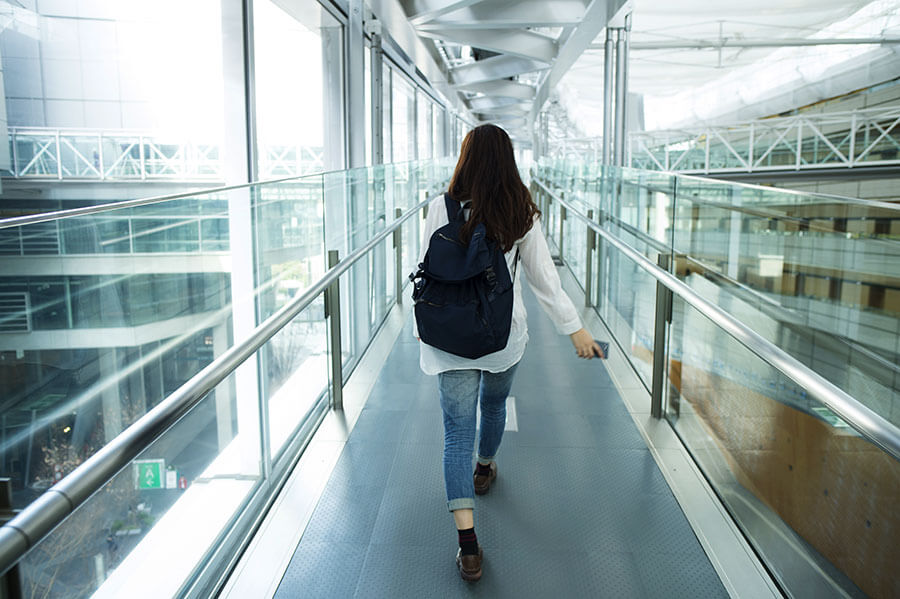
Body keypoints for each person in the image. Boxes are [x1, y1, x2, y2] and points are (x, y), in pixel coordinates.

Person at [415, 124, 602, 583]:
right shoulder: (518, 212)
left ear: (465, 158)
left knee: (455, 433)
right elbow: (543, 278)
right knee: (494, 404)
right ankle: (485, 467)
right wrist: (573, 328)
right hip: (503, 337)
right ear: (508, 161)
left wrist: (427, 328)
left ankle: (469, 547)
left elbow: (421, 270)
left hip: (449, 342)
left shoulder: (439, 208)